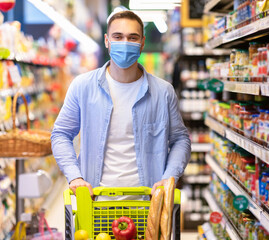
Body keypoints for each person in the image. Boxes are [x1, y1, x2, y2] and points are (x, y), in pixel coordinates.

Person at [51, 10, 191, 199]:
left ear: (142, 43)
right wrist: (74, 176)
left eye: (132, 37)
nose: (125, 43)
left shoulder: (163, 92)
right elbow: (61, 134)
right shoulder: (83, 87)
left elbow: (180, 140)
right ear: (107, 41)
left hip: (148, 203)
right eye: (118, 36)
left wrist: (169, 177)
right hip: (96, 201)